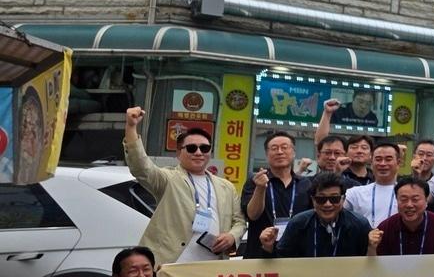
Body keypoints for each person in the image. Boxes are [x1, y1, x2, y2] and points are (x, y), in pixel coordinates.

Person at [122, 107, 242, 266]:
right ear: (178, 153)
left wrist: (232, 236)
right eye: (192, 148)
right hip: (171, 265)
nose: (199, 152)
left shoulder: (226, 186)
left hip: (213, 266)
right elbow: (141, 167)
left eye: (204, 148)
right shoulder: (168, 178)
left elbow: (239, 221)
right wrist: (131, 127)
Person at [259, 172, 371, 258]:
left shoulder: (359, 224)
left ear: (343, 199)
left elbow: (370, 264)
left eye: (334, 199)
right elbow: (281, 262)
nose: (328, 204)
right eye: (321, 199)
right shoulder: (298, 223)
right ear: (313, 200)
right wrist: (268, 248)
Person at [241, 129, 307, 260]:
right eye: (274, 148)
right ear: (267, 154)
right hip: (260, 255)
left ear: (293, 153)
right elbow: (253, 215)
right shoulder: (254, 181)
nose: (280, 152)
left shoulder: (305, 184)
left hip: (296, 257)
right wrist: (260, 188)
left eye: (284, 147)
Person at [368, 177, 434, 255]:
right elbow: (376, 266)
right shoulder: (385, 228)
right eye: (404, 199)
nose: (409, 205)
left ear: (426, 201)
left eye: (415, 199)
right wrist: (372, 247)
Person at [345, 141, 401, 228]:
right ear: (371, 163)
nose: (383, 164)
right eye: (378, 159)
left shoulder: (406, 195)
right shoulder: (355, 193)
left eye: (388, 159)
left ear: (398, 163)